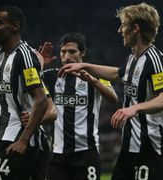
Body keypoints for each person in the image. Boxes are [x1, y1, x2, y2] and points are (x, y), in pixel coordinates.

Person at [59, 3, 163, 180]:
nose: (120, 30)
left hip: (150, 150)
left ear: (135, 29)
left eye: (123, 25)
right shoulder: (132, 59)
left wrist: (133, 108)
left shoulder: (155, 61)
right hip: (129, 148)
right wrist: (84, 65)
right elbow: (117, 74)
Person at [0, 5, 56, 180]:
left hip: (18, 139)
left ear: (15, 27)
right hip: (3, 136)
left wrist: (23, 141)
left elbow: (41, 100)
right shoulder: (1, 55)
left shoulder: (24, 56)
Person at [39, 33, 118, 180]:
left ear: (82, 52)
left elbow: (113, 98)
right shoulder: (51, 76)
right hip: (58, 154)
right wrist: (40, 64)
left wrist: (92, 80)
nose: (67, 56)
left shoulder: (95, 76)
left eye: (72, 52)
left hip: (86, 153)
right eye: (63, 52)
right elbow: (28, 83)